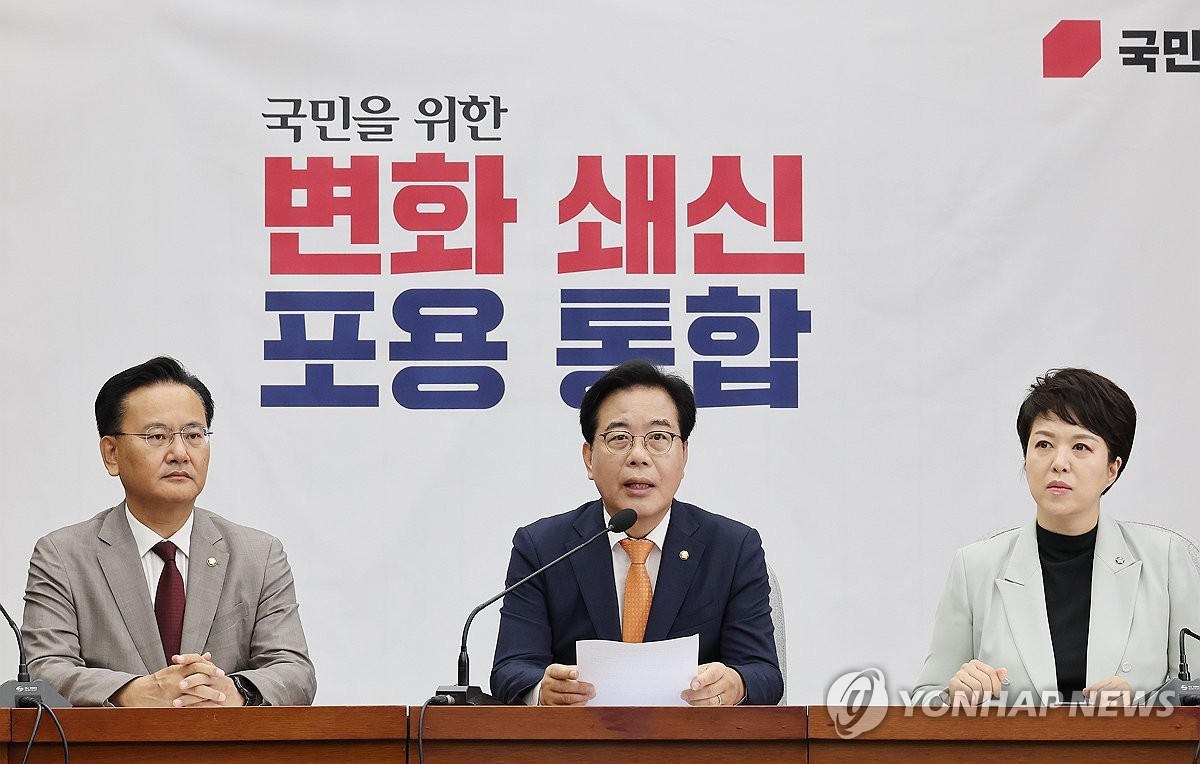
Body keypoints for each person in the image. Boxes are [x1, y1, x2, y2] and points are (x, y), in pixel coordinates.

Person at [21, 356, 316, 707]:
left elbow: (295, 672)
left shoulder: (259, 554)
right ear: (111, 453)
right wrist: (135, 692)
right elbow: (44, 671)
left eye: (194, 435)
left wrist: (234, 691)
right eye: (157, 436)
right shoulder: (62, 556)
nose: (180, 452)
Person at [489, 359, 782, 706]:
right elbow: (511, 668)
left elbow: (763, 673)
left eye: (658, 437)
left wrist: (733, 684)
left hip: (693, 739)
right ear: (589, 458)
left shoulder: (733, 548)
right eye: (619, 438)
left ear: (684, 454)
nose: (638, 456)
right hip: (578, 739)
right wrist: (543, 690)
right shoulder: (543, 548)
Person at [913, 368, 1200, 706]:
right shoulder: (974, 567)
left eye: (1081, 446)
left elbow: (1194, 693)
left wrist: (1142, 710)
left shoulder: (1166, 559)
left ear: (1112, 468)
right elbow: (924, 702)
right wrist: (952, 697)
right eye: (1044, 444)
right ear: (1026, 458)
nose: (1059, 462)